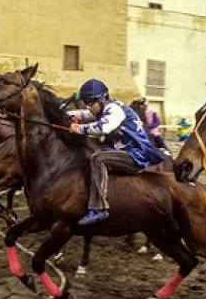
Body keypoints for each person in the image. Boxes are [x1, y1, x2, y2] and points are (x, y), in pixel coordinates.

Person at [68, 79, 164, 225]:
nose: (88, 107)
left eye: (90, 103)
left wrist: (79, 129)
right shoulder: (104, 108)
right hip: (124, 152)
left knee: (97, 159)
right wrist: (66, 114)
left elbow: (104, 127)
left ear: (101, 99)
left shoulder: (114, 109)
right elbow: (84, 115)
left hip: (135, 156)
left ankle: (99, 208)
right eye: (86, 103)